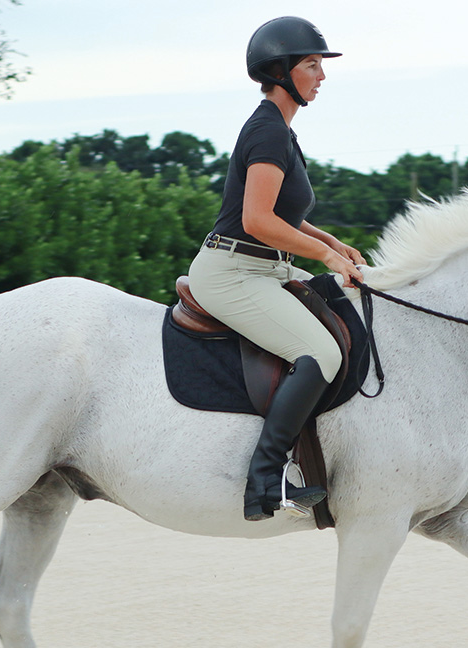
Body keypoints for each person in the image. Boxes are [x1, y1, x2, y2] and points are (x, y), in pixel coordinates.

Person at [187, 16, 366, 522]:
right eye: (312, 65)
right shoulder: (267, 131)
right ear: (281, 70)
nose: (321, 76)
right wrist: (325, 257)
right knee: (320, 352)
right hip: (233, 272)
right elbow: (257, 220)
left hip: (266, 267)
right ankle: (266, 480)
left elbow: (286, 218)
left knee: (345, 305)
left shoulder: (282, 131)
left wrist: (330, 242)